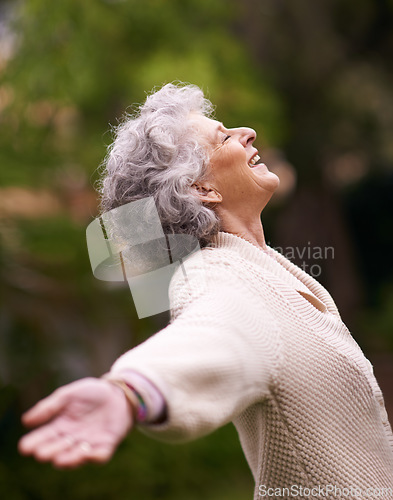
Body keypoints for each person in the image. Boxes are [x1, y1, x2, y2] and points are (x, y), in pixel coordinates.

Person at [19, 83, 393, 497]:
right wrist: (132, 389)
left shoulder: (262, 263)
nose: (247, 132)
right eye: (224, 137)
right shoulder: (216, 275)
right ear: (202, 190)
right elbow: (212, 333)